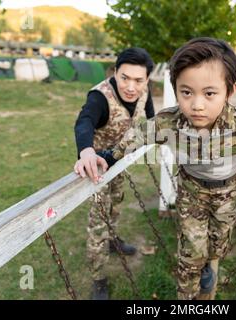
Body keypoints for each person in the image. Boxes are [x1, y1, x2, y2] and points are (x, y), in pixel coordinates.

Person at [74, 37, 236, 300]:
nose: (197, 104)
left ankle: (207, 266)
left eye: (209, 93)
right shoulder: (171, 121)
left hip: (229, 193)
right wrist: (108, 156)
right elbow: (138, 135)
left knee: (217, 245)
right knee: (189, 255)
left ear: (229, 91)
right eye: (186, 92)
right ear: (176, 88)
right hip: (191, 193)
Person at [73, 47, 155, 300]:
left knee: (116, 204)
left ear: (147, 80)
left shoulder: (144, 93)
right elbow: (84, 121)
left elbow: (151, 120)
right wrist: (86, 151)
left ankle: (113, 240)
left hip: (119, 164)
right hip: (96, 169)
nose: (131, 86)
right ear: (115, 73)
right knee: (98, 222)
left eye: (138, 80)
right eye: (124, 78)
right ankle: (98, 277)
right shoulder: (100, 97)